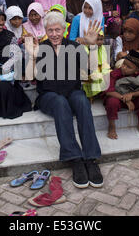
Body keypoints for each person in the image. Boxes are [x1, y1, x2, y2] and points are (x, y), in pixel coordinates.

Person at [29, 11, 104, 189]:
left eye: (57, 30)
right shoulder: (41, 48)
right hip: (48, 96)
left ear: (64, 29)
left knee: (82, 101)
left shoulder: (73, 46)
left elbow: (89, 71)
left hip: (72, 91)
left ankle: (90, 158)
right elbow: (32, 76)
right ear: (46, 31)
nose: (54, 34)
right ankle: (75, 159)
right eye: (50, 30)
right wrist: (32, 56)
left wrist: (92, 47)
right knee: (60, 104)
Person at [104, 50, 139, 139]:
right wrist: (125, 99)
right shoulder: (115, 73)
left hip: (133, 99)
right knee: (111, 102)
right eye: (123, 64)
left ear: (136, 71)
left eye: (128, 67)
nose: (123, 67)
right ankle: (111, 126)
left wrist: (132, 94)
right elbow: (109, 91)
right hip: (118, 98)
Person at [82, 31, 111, 100]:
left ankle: (101, 94)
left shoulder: (103, 48)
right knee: (95, 75)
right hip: (87, 70)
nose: (100, 42)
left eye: (101, 39)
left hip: (99, 67)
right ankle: (90, 95)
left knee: (108, 74)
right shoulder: (85, 48)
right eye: (97, 39)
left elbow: (105, 62)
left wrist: (105, 71)